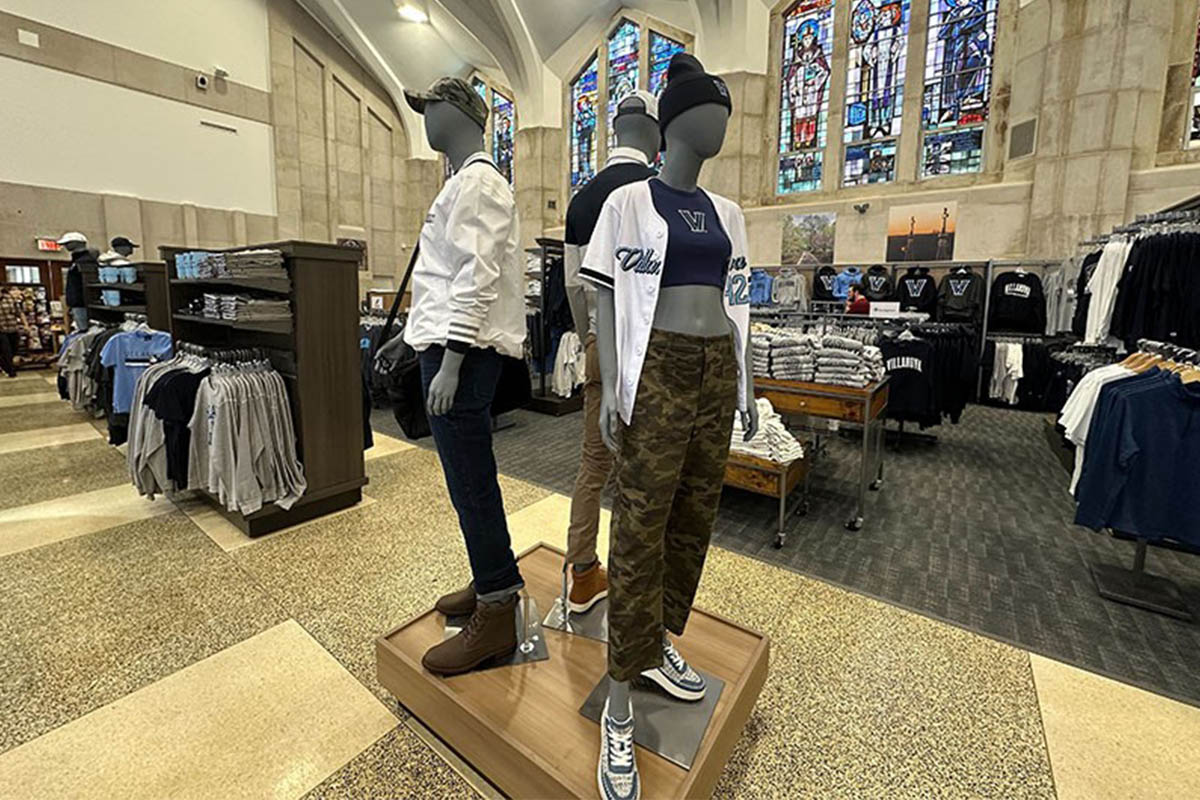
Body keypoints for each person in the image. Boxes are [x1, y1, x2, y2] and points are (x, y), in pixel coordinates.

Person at [378, 76, 526, 677]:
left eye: (430, 107)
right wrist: (412, 332)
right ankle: (493, 578)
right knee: (467, 480)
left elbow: (476, 275)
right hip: (446, 344)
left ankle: (498, 608)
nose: (425, 118)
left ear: (459, 111)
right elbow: (445, 279)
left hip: (462, 353)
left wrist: (454, 358)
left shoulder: (479, 184)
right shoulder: (465, 181)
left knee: (471, 481)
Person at [0, 286, 31, 378]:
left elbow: (19, 313)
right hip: (1, 330)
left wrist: (26, 325)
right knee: (6, 350)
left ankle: (5, 366)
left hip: (13, 328)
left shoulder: (10, 299)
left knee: (14, 350)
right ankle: (11, 371)